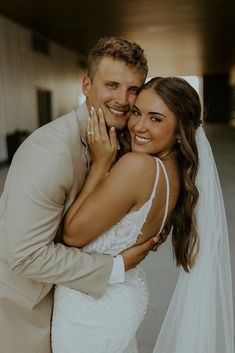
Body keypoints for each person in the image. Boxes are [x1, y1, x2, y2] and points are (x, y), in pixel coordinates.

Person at [0, 37, 161, 353]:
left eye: (133, 89)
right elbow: (24, 254)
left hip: (83, 309)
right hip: (28, 315)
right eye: (112, 85)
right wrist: (115, 267)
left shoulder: (126, 142)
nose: (123, 99)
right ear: (87, 84)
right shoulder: (50, 151)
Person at [51, 77, 234, 353]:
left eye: (156, 118)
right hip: (119, 298)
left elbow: (72, 234)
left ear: (179, 131)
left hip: (90, 310)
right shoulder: (174, 175)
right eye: (136, 112)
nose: (138, 125)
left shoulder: (138, 167)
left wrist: (101, 163)